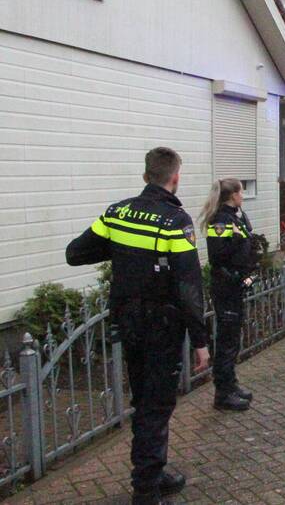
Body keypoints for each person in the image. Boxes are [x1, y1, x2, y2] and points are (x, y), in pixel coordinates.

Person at [66, 147, 209, 504]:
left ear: (146, 176)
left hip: (128, 322)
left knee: (145, 398)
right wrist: (201, 340)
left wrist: (125, 253)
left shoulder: (117, 213)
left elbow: (76, 253)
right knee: (156, 404)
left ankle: (154, 470)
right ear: (175, 178)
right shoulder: (175, 221)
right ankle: (146, 488)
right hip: (162, 326)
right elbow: (189, 286)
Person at [200, 178, 257, 412]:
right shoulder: (221, 220)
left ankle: (231, 384)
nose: (243, 195)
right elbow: (218, 254)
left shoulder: (235, 216)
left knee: (233, 339)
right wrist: (235, 238)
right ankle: (222, 393)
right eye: (241, 192)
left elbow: (248, 242)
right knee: (226, 340)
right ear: (233, 194)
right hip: (226, 287)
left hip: (235, 285)